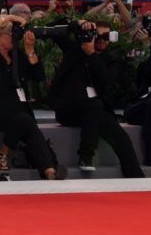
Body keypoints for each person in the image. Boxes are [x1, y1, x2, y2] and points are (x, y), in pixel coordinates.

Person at [0, 15, 67, 180]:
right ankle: (6, 154)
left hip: (17, 110)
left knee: (27, 123)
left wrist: (30, 50)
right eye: (11, 35)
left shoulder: (17, 55)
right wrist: (11, 17)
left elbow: (39, 76)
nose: (15, 39)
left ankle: (49, 171)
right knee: (25, 120)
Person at [49, 19, 144, 177]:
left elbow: (106, 79)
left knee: (121, 138)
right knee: (94, 105)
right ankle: (85, 156)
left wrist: (91, 54)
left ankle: (137, 178)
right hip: (70, 109)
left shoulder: (112, 60)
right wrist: (80, 23)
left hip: (96, 111)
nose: (102, 40)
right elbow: (55, 28)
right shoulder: (74, 50)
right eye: (97, 36)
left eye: (106, 37)